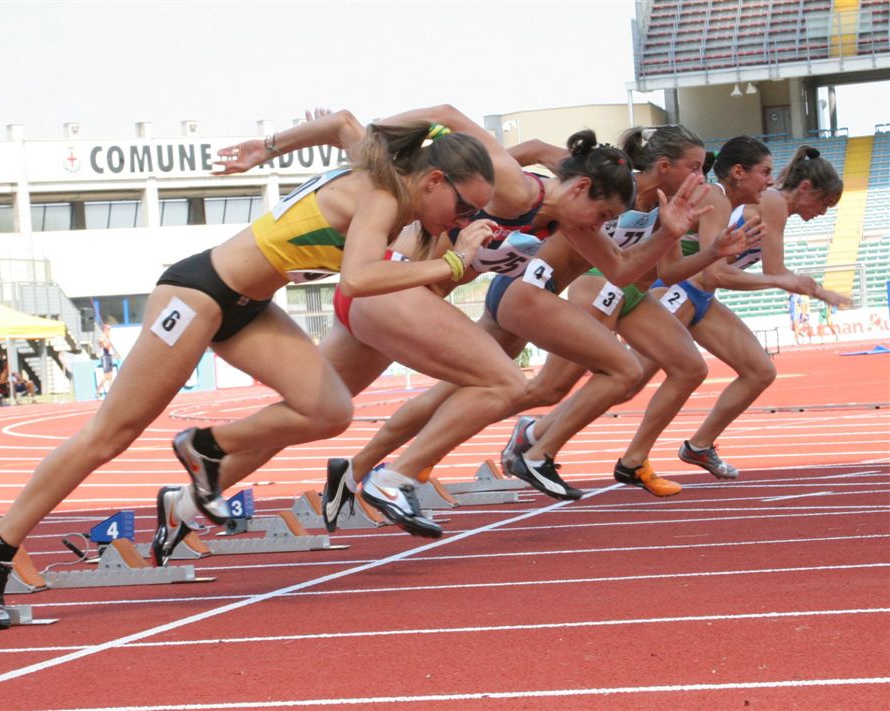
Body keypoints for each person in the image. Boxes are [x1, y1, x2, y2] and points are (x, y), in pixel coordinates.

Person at [0, 116, 498, 630]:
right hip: (198, 295)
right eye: (463, 207)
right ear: (433, 179)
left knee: (329, 410)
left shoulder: (381, 172)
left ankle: (207, 448)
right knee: (109, 436)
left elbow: (339, 122)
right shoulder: (381, 195)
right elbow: (358, 279)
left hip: (249, 307)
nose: (462, 220)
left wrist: (267, 149)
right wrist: (455, 263)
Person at [156, 104, 659, 545]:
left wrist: (674, 229)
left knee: (307, 415)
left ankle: (182, 506)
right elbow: (437, 115)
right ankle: (393, 479)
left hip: (387, 300)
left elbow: (620, 269)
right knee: (504, 381)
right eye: (601, 214)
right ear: (582, 188)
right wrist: (288, 148)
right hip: (386, 285)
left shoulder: (567, 220)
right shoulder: (510, 185)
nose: (599, 227)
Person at [353, 124, 756, 506]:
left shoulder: (637, 212)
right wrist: (474, 190)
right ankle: (522, 452)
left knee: (503, 390)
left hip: (558, 286)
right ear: (664, 165)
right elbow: (525, 149)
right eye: (694, 167)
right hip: (525, 288)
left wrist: (702, 248)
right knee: (590, 376)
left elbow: (643, 271)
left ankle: (367, 468)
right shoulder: (570, 184)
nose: (701, 177)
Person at [642, 140, 849, 480]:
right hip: (679, 289)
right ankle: (624, 456)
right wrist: (809, 288)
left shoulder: (769, 204)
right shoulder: (773, 202)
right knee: (634, 376)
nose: (823, 213)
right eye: (825, 203)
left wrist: (819, 291)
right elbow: (774, 273)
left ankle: (698, 446)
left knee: (759, 371)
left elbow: (775, 275)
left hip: (701, 295)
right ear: (805, 188)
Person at [95, 323, 117, 398]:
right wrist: (107, 342)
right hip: (105, 357)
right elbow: (105, 345)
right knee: (106, 375)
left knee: (110, 376)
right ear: (104, 330)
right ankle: (98, 391)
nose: (109, 331)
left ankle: (111, 393)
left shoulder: (107, 337)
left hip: (109, 356)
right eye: (108, 329)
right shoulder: (103, 337)